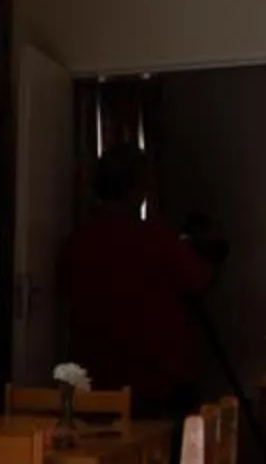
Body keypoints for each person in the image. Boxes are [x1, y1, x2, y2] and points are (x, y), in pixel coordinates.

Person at [59, 146, 213, 413]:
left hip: (93, 383)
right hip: (156, 381)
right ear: (138, 190)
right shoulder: (155, 239)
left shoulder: (79, 241)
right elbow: (199, 279)